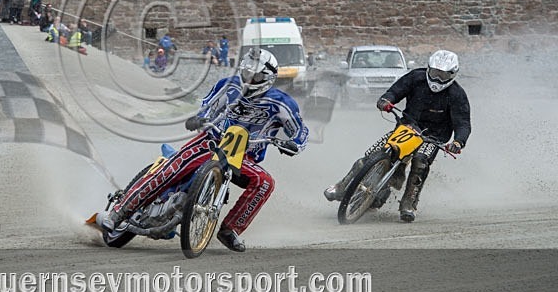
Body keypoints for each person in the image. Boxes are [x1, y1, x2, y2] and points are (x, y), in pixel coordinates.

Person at [102, 48, 309, 252]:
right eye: (247, 72)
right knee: (170, 170)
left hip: (243, 156)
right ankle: (119, 213)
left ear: (268, 78)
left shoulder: (282, 103)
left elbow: (300, 130)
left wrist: (294, 144)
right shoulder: (228, 86)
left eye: (255, 76)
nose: (249, 78)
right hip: (212, 140)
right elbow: (207, 106)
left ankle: (230, 230)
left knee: (265, 183)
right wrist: (199, 118)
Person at [324, 50, 471, 222]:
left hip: (435, 136)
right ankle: (341, 188)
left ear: (453, 74)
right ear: (428, 69)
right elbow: (396, 90)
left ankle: (409, 203)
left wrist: (459, 142)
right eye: (435, 73)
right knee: (372, 155)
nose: (438, 79)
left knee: (420, 162)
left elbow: (463, 123)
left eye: (443, 75)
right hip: (407, 125)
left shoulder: (457, 95)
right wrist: (386, 100)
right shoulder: (415, 78)